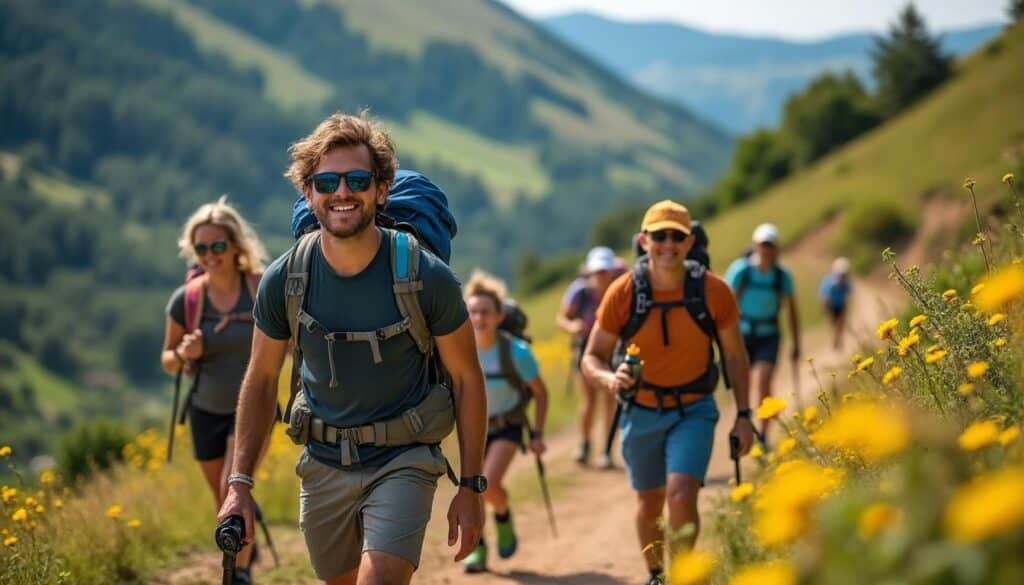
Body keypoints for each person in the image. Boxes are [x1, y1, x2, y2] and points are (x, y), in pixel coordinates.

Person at [218, 112, 487, 585]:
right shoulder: (284, 280)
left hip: (404, 456)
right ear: (309, 193)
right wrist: (239, 484)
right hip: (323, 464)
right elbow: (261, 380)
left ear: (381, 191)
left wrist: (470, 485)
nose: (342, 192)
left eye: (358, 179)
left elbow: (466, 378)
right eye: (327, 181)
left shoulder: (426, 277)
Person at [582, 200, 755, 585]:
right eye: (659, 235)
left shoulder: (714, 291)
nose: (668, 243)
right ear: (644, 241)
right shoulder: (624, 292)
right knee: (649, 503)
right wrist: (610, 380)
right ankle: (657, 574)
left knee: (680, 495)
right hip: (640, 410)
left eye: (677, 236)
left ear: (690, 241)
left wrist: (744, 416)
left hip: (693, 410)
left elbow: (735, 356)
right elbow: (591, 357)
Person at [160, 196, 269, 583]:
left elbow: (286, 342)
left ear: (236, 245)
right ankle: (243, 541)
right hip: (205, 409)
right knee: (221, 498)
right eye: (201, 248)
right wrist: (185, 352)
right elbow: (168, 360)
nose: (209, 255)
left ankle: (237, 573)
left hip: (252, 408)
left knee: (231, 483)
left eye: (217, 245)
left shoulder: (260, 288)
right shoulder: (187, 300)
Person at [462, 270, 548, 573]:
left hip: (507, 426)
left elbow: (541, 392)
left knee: (489, 483)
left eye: (485, 312)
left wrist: (536, 433)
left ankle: (503, 516)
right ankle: (478, 549)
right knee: (470, 491)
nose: (478, 317)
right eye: (472, 311)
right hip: (473, 429)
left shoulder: (516, 352)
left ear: (499, 315)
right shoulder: (461, 350)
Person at [724, 223, 800, 441]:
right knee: (742, 382)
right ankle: (744, 424)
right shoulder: (741, 271)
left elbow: (792, 311)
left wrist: (796, 342)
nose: (766, 250)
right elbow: (727, 304)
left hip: (769, 335)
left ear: (776, 249)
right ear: (755, 245)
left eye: (771, 245)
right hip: (742, 335)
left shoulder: (781, 276)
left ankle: (764, 434)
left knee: (763, 381)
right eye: (763, 245)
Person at [556, 246, 619, 468]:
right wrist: (573, 326)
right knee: (590, 400)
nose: (601, 276)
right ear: (590, 272)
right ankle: (585, 444)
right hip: (585, 352)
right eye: (597, 271)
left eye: (604, 271)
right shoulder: (579, 293)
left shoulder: (620, 290)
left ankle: (607, 449)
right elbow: (561, 318)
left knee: (612, 400)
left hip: (614, 352)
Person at [820, 257, 852, 350]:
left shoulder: (846, 283)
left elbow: (848, 294)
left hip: (841, 306)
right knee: (834, 324)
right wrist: (825, 307)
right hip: (831, 306)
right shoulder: (829, 282)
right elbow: (824, 297)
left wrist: (846, 306)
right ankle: (836, 339)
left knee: (840, 324)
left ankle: (838, 340)